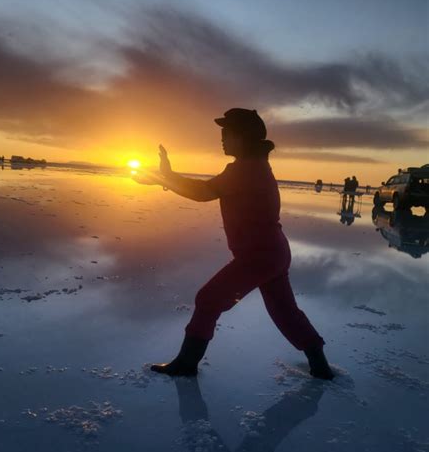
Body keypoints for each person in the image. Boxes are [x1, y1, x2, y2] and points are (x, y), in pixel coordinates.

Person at [133, 108, 334, 380]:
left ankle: (187, 363)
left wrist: (165, 177)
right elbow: (206, 190)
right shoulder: (253, 165)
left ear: (244, 137)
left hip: (259, 256)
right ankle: (320, 365)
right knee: (284, 312)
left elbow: (202, 192)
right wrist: (164, 179)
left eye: (227, 133)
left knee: (208, 299)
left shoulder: (245, 170)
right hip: (273, 252)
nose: (222, 139)